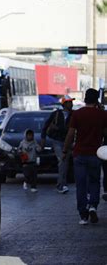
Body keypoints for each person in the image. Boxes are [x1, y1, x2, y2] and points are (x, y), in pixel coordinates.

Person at [64, 88, 107, 225]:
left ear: (85, 99)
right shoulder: (102, 115)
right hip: (95, 154)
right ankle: (93, 206)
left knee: (81, 185)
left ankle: (83, 214)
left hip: (79, 154)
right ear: (96, 100)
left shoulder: (77, 114)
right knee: (94, 181)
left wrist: (65, 150)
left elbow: (71, 134)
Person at [41, 95, 74, 194]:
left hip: (68, 142)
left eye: (71, 102)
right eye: (69, 102)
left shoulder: (74, 115)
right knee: (62, 161)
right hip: (57, 141)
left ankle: (63, 184)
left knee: (65, 163)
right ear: (64, 104)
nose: (71, 104)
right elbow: (45, 126)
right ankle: (61, 185)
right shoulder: (56, 114)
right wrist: (43, 140)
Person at [18, 129, 41, 193]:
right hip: (25, 162)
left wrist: (39, 149)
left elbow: (38, 148)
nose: (30, 136)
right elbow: (19, 149)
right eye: (28, 135)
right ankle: (26, 181)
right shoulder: (22, 143)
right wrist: (20, 152)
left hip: (33, 161)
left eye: (31, 135)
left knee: (34, 175)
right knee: (27, 174)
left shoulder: (34, 142)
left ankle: (33, 187)